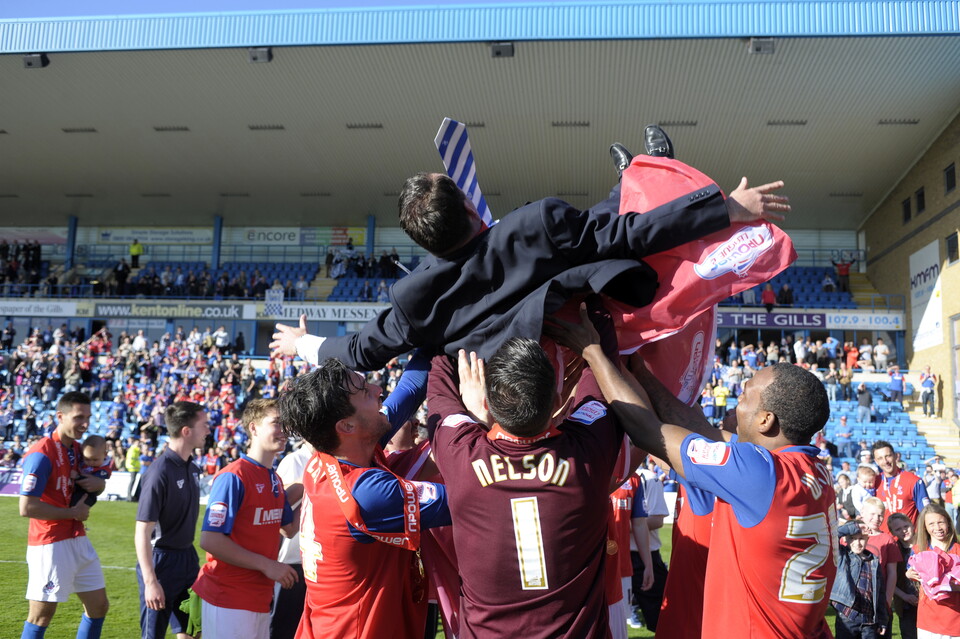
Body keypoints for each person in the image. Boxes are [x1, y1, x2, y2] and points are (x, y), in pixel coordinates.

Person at [272, 139, 790, 371]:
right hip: (587, 343)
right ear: (476, 212)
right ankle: (649, 170)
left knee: (600, 224)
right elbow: (630, 236)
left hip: (508, 387)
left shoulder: (414, 296)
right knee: (616, 228)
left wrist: (300, 343)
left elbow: (361, 351)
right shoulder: (534, 224)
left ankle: (632, 172)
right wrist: (726, 210)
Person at [546, 305, 837, 637]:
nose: (736, 404)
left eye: (744, 397)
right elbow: (697, 428)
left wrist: (594, 353)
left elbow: (648, 430)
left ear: (765, 420)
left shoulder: (758, 473)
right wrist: (639, 370)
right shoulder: (812, 471)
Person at [428, 333, 623, 638]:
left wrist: (449, 337)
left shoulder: (460, 456)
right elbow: (604, 375)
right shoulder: (587, 455)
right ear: (559, 402)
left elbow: (440, 390)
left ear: (486, 404)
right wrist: (593, 321)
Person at [277, 356, 451, 639]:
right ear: (346, 426)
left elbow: (408, 390)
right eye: (364, 390)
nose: (377, 389)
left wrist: (433, 335)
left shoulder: (330, 457)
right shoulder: (366, 494)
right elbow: (473, 499)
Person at [192, 399, 297, 639]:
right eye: (276, 423)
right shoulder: (233, 476)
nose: (284, 430)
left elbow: (288, 529)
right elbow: (210, 540)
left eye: (286, 424)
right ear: (253, 428)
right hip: (229, 597)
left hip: (259, 597)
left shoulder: (274, 478)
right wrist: (267, 565)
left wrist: (312, 489)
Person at [19, 391, 109, 639]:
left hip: (77, 536)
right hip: (50, 542)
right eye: (79, 417)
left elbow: (96, 481)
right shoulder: (41, 453)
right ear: (60, 416)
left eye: (88, 417)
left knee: (98, 606)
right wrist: (71, 512)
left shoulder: (79, 450)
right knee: (41, 616)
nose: (85, 424)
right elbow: (26, 507)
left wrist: (98, 485)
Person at [135, 402, 209, 639]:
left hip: (187, 558)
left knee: (192, 630)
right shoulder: (159, 473)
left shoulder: (192, 469)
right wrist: (151, 581)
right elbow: (142, 533)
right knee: (153, 635)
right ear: (186, 431)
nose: (209, 430)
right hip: (162, 563)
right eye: (204, 425)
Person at [270, 440, 314, 639]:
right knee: (283, 628)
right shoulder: (294, 461)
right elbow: (280, 513)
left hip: (315, 562)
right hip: (292, 563)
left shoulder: (329, 460)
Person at [905, 503, 960, 638]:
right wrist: (908, 573)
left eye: (941, 522)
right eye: (931, 524)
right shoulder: (918, 550)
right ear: (925, 527)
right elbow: (910, 571)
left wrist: (948, 586)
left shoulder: (958, 550)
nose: (937, 528)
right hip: (928, 620)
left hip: (954, 618)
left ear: (948, 522)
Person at [830, 522, 890, 638]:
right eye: (853, 538)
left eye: (861, 538)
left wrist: (882, 619)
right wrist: (854, 528)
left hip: (869, 619)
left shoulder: (873, 561)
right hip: (848, 615)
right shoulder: (843, 555)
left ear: (867, 539)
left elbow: (880, 592)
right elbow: (831, 536)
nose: (857, 543)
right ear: (846, 540)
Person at [874, 440, 930, 527]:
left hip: (909, 538)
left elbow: (926, 514)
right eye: (880, 458)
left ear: (895, 456)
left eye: (888, 456)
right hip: (883, 539)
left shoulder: (914, 481)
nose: (885, 461)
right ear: (876, 461)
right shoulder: (874, 482)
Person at [887, 513, 919, 639]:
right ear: (893, 532)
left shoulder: (925, 544)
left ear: (912, 524)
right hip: (905, 603)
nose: (903, 531)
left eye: (906, 526)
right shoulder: (893, 549)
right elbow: (889, 580)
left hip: (928, 601)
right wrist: (904, 596)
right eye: (898, 529)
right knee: (909, 635)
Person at [69, 436, 112, 509]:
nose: (91, 462)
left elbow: (92, 481)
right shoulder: (82, 459)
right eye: (87, 459)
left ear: (105, 455)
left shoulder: (104, 469)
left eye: (95, 460)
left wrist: (77, 477)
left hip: (87, 495)